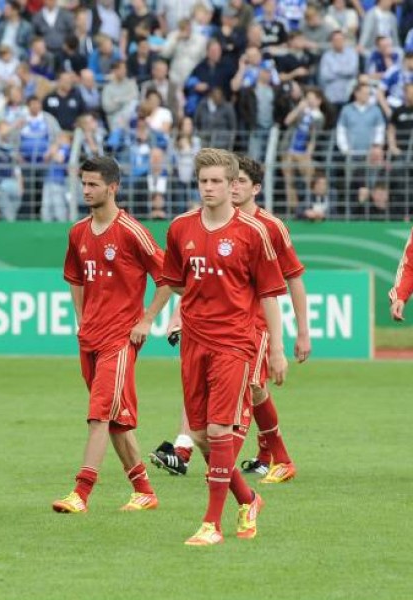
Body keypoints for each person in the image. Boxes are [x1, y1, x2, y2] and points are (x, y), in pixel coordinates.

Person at [152, 155, 310, 483]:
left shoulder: (268, 227)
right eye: (230, 181)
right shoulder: (196, 225)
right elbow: (198, 281)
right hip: (214, 325)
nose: (232, 187)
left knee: (250, 387)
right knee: (234, 392)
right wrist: (179, 314)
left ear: (255, 188)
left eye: (237, 182)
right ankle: (262, 458)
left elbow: (292, 278)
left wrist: (302, 333)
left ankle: (235, 465)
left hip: (254, 325)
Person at [161, 148, 288, 545]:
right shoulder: (180, 228)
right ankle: (248, 500)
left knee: (219, 430)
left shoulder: (253, 233)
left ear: (234, 185)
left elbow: (269, 294)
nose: (209, 188)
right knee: (198, 435)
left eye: (217, 181)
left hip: (235, 342)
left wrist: (278, 349)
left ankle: (211, 523)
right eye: (203, 181)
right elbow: (176, 280)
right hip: (193, 342)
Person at [52, 156, 171, 514]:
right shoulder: (78, 232)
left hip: (120, 338)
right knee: (116, 421)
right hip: (89, 336)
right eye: (83, 183)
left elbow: (167, 279)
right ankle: (144, 490)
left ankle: (81, 492)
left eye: (93, 185)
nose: (86, 190)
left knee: (99, 414)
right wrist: (80, 315)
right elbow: (75, 277)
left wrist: (147, 320)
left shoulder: (131, 231)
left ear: (112, 188)